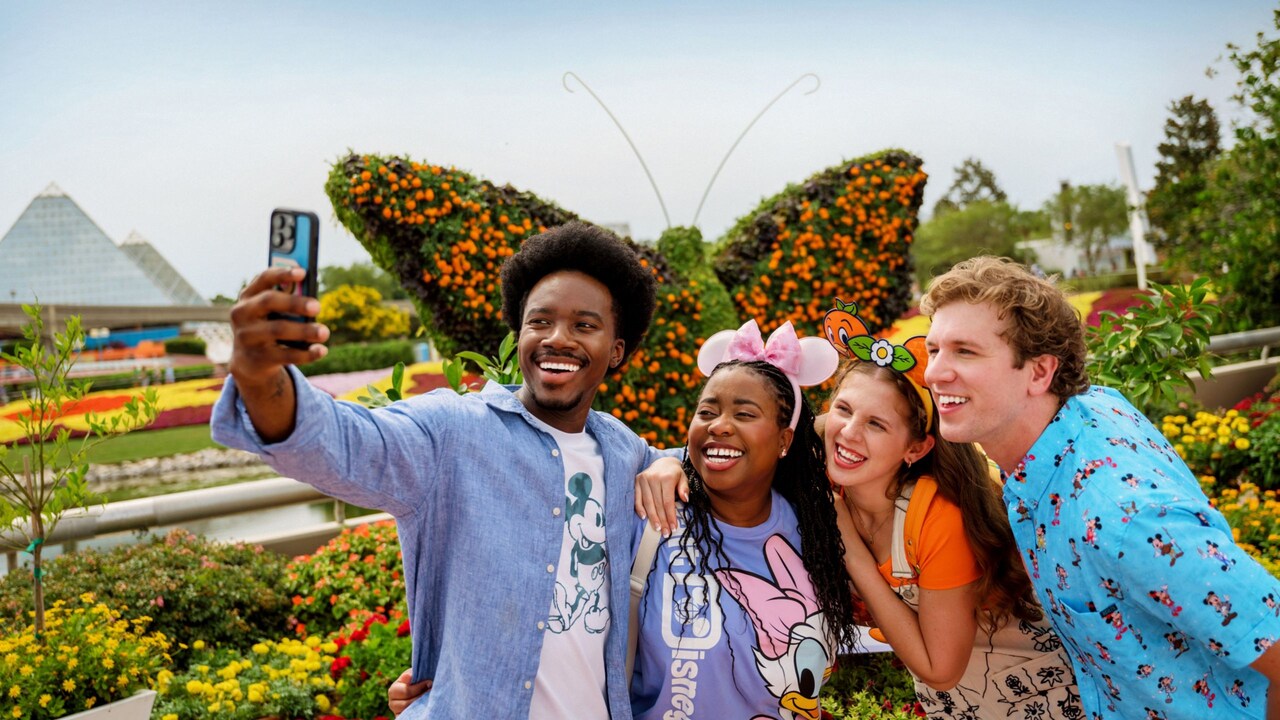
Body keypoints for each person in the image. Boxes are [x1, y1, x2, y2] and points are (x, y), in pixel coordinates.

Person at [211, 221, 682, 719]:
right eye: (540, 322)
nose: (557, 339)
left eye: (584, 326)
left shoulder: (623, 449)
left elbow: (714, 466)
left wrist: (673, 464)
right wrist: (261, 376)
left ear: (617, 351)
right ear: (518, 334)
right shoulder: (452, 433)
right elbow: (345, 444)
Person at [390, 319, 861, 719]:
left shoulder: (821, 525)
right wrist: (453, 686)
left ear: (784, 440)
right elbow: (543, 593)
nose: (719, 425)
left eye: (744, 413)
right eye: (707, 411)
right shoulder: (649, 516)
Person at [919, 256, 1280, 719]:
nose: (935, 373)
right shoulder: (1080, 414)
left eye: (965, 351)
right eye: (934, 350)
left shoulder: (1122, 518)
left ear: (1038, 372)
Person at [819, 303, 1081, 718]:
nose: (849, 433)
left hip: (1039, 699)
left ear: (917, 448)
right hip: (958, 706)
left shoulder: (936, 516)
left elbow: (940, 670)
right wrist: (676, 463)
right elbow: (766, 438)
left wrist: (849, 548)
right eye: (843, 409)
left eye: (877, 424)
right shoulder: (837, 469)